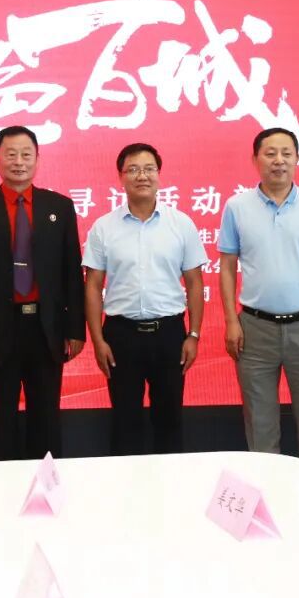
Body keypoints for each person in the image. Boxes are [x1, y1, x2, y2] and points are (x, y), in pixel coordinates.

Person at [0, 126, 85, 460]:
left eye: (26, 154)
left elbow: (72, 273)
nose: (18, 162)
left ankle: (48, 483)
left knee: (47, 416)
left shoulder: (60, 207)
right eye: (10, 154)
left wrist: (75, 329)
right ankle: (2, 484)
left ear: (37, 159)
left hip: (46, 328)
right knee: (2, 417)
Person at [217, 128, 299, 461]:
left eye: (286, 153)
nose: (279, 160)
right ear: (255, 159)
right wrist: (231, 321)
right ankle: (267, 489)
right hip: (255, 329)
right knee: (260, 425)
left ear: (298, 159)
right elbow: (227, 267)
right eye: (270, 153)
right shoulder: (236, 207)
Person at [84, 143, 206, 455]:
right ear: (121, 177)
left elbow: (195, 283)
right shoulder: (103, 227)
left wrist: (193, 334)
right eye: (134, 170)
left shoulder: (181, 224)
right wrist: (98, 340)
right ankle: (127, 484)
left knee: (169, 420)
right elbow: (93, 286)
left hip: (169, 334)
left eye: (149, 169)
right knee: (125, 422)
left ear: (159, 175)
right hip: (121, 335)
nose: (142, 176)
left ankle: (170, 482)